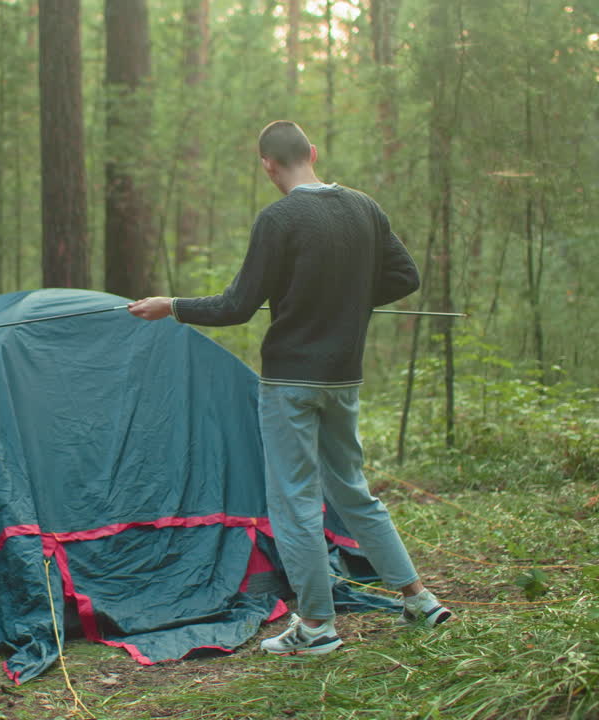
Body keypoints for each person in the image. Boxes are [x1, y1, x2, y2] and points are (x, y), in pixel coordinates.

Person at [127, 121, 450, 657]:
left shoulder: (279, 218)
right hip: (343, 377)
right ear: (313, 154)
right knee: (352, 490)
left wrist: (172, 307)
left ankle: (317, 627)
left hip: (290, 382)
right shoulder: (364, 207)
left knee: (295, 502)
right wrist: (345, 298)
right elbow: (404, 276)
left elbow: (235, 306)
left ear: (268, 165)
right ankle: (418, 598)